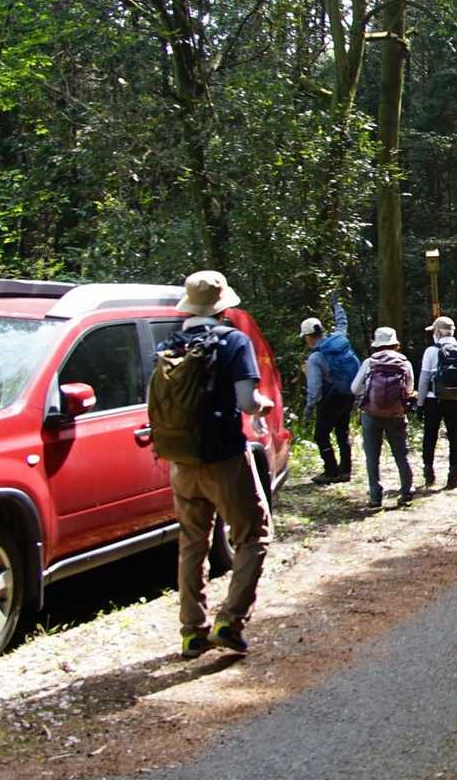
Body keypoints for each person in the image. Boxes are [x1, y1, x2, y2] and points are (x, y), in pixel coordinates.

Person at [159, 271, 275, 658]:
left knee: (193, 543)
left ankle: (192, 631)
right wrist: (264, 406)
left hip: (181, 460)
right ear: (223, 306)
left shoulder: (171, 343)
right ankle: (230, 620)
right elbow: (247, 402)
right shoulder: (233, 341)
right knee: (253, 535)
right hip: (224, 458)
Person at [349, 326, 415, 508]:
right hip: (397, 415)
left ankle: (375, 497)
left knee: (372, 456)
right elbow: (409, 389)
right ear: (396, 344)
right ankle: (406, 492)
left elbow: (354, 388)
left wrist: (369, 394)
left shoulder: (369, 362)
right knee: (401, 454)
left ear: (376, 345)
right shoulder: (405, 363)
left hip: (371, 414)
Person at [415, 315, 457, 489]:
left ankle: (428, 471)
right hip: (455, 400)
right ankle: (453, 475)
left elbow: (424, 379)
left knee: (430, 435)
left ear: (437, 332)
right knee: (455, 437)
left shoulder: (430, 351)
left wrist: (419, 404)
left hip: (432, 400)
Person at [301, 300, 360, 485]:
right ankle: (345, 471)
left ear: (309, 337)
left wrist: (310, 407)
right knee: (342, 432)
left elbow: (315, 388)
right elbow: (342, 322)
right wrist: (337, 304)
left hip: (330, 399)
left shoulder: (315, 358)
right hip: (348, 393)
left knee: (321, 435)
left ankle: (331, 471)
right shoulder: (339, 339)